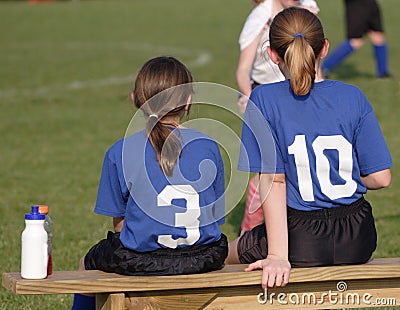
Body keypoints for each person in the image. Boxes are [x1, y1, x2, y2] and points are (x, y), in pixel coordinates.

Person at [226, 7, 392, 289]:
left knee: (223, 254)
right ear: (324, 48)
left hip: (302, 238)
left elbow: (274, 181)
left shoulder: (263, 98)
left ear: (273, 55)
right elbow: (381, 178)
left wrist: (278, 255)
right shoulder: (353, 96)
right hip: (358, 236)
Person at [72, 56, 228, 309]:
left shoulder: (119, 151)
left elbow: (122, 227)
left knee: (86, 263)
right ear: (188, 102)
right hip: (204, 257)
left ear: (135, 99)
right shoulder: (208, 146)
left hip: (145, 261)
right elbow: (213, 217)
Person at [236, 0, 320, 234]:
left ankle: (301, 228)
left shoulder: (308, 7)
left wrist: (322, 93)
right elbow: (243, 69)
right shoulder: (261, 14)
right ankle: (251, 231)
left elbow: (315, 60)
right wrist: (250, 98)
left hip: (301, 92)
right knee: (268, 172)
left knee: (301, 158)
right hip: (266, 95)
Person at [322, 0, 390, 78]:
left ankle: (383, 73)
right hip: (357, 4)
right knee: (355, 40)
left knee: (378, 36)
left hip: (371, 3)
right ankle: (323, 68)